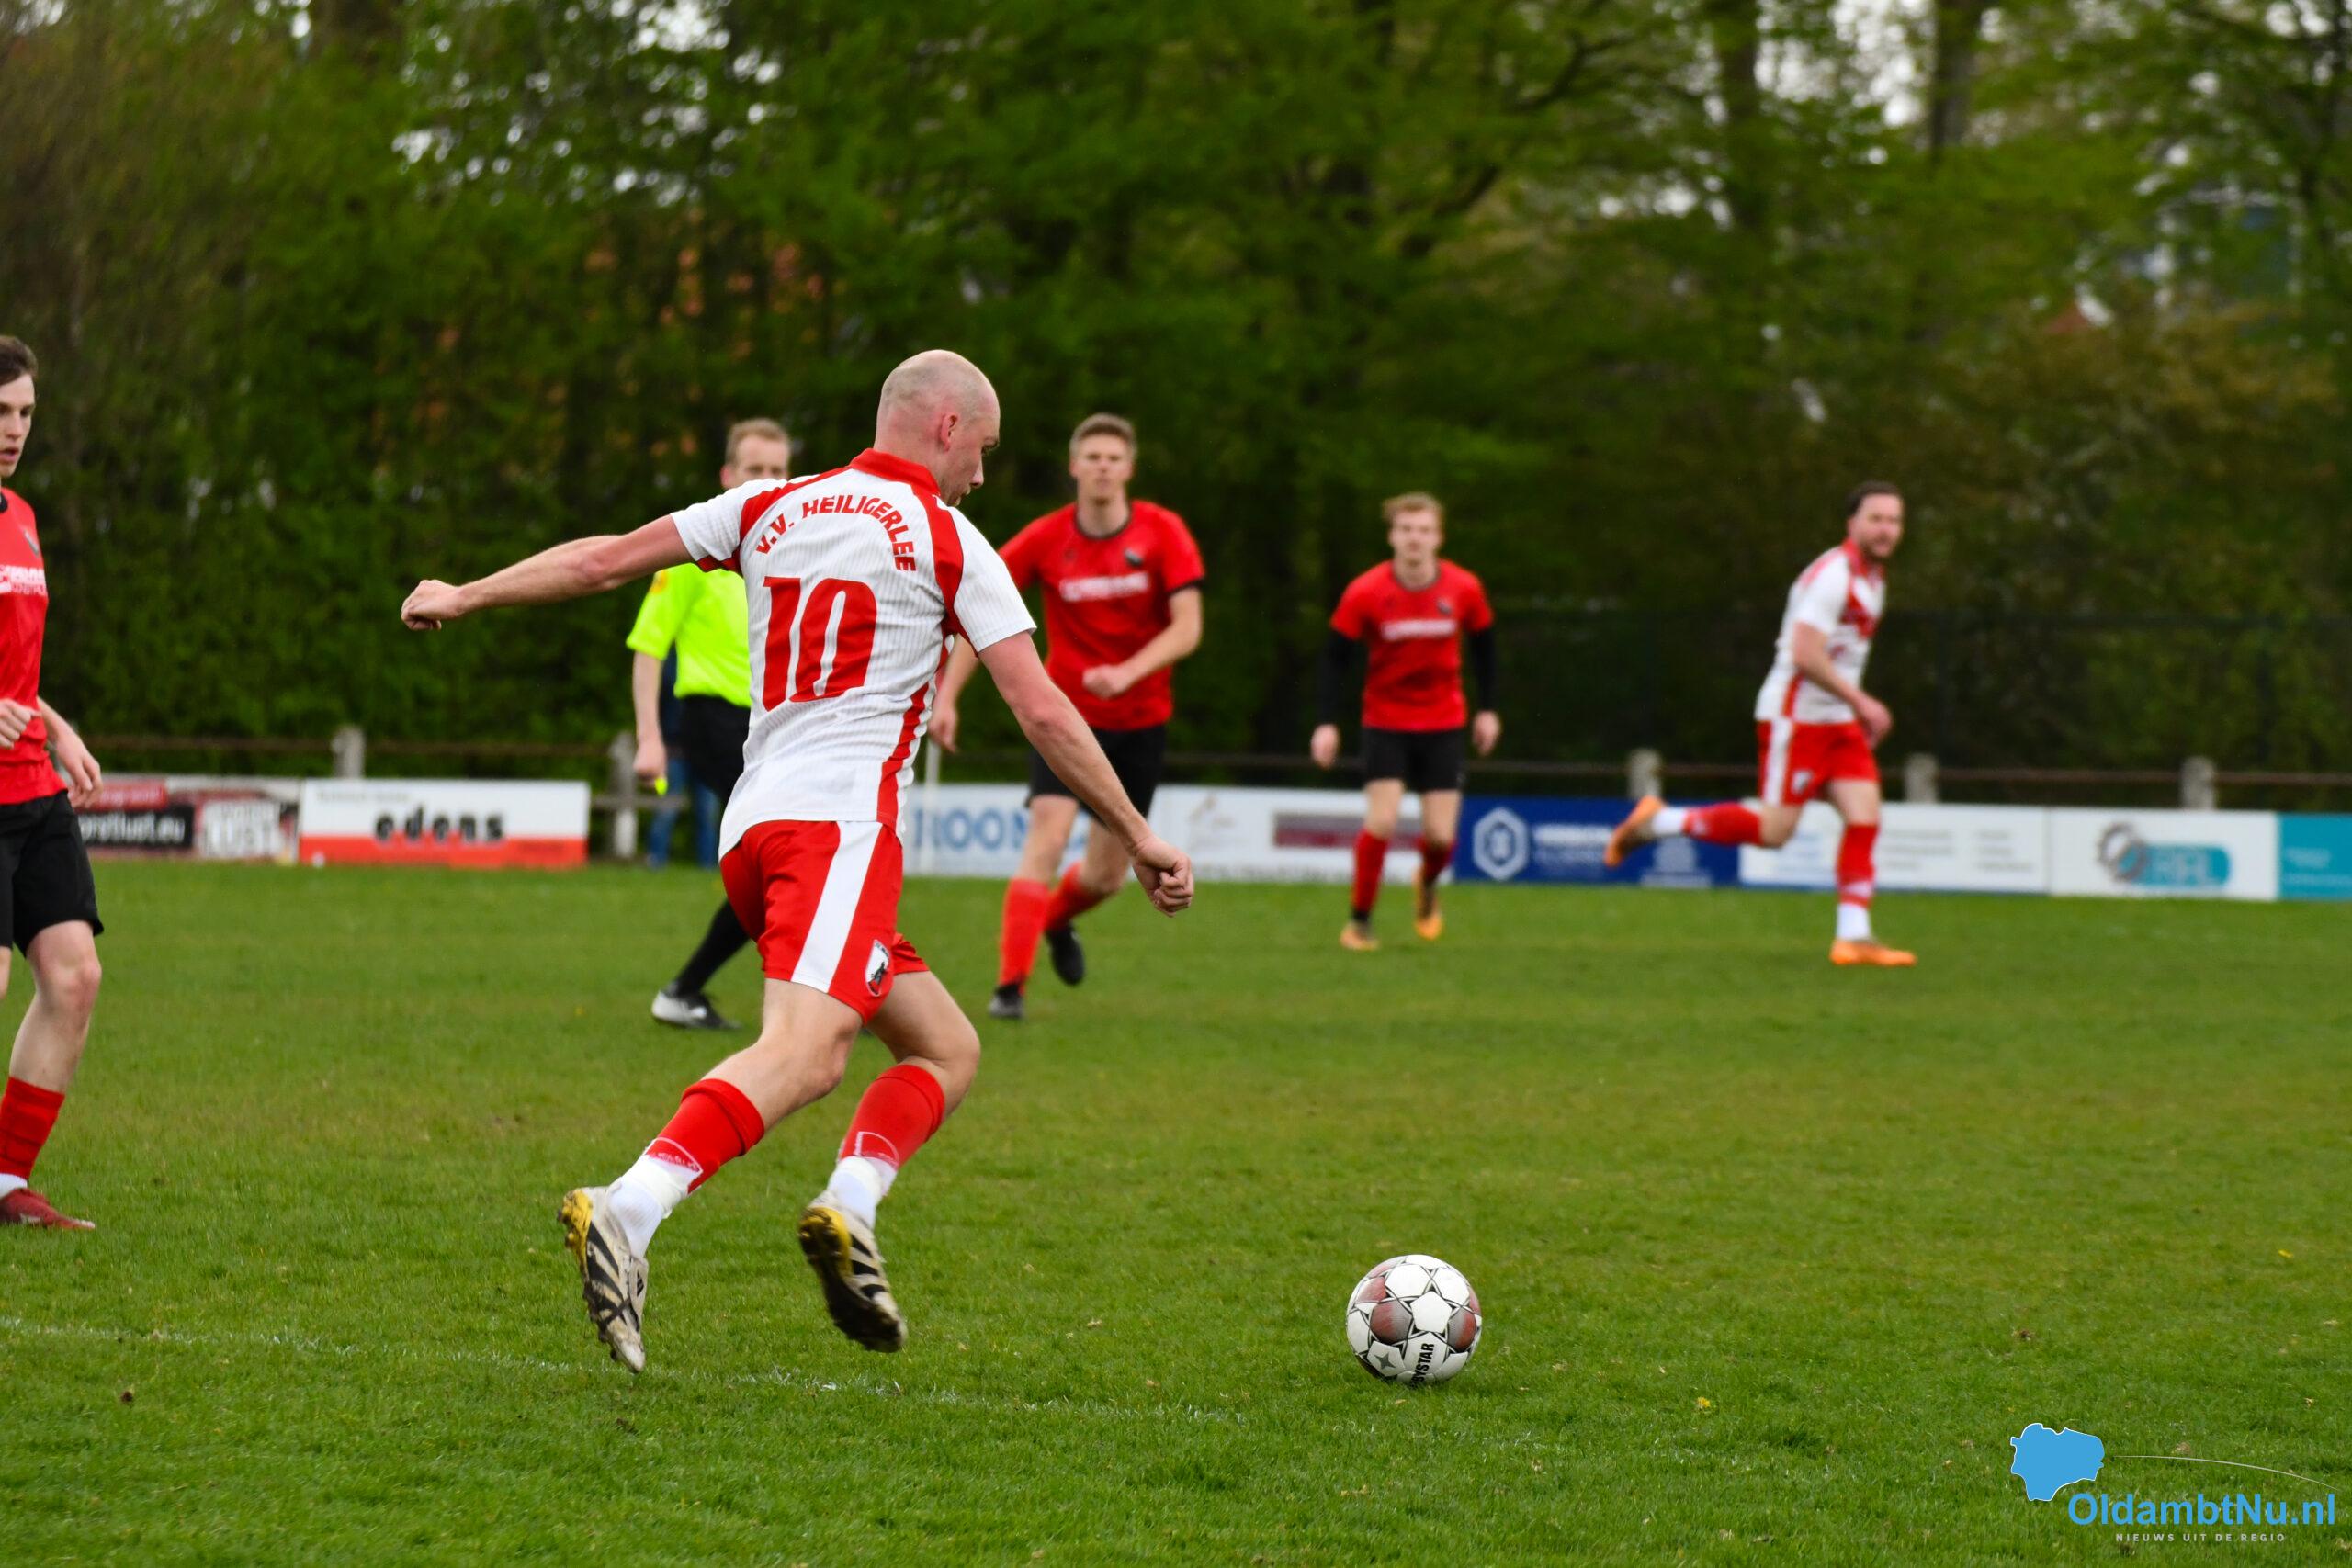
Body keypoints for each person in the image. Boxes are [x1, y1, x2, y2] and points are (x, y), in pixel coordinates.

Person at [401, 351, 1193, 1371]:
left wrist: (466, 593)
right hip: (837, 833)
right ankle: (630, 1205)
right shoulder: (951, 541)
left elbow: (602, 562)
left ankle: (849, 1205)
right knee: (809, 1054)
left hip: (753, 830)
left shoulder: (769, 504)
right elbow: (1040, 708)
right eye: (984, 449)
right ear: (947, 426)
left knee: (946, 1049)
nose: (982, 475)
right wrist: (1137, 832)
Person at [931, 413, 1204, 1021]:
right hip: (1065, 720)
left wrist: (1127, 672)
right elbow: (979, 610)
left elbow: (1188, 628)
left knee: (1107, 877)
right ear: (1075, 466)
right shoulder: (1046, 538)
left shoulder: (1163, 532)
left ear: (1129, 469)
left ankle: (1053, 922)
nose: (1103, 467)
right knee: (1046, 839)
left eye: (1114, 457)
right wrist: (946, 697)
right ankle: (1009, 988)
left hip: (1140, 720)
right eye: (1093, 457)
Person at [1605, 481, 1914, 966]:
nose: (1886, 530)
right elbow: (1805, 653)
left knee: (1865, 816)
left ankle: (1853, 936)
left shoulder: (1874, 580)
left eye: (1894, 521)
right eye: (1875, 519)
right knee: (1774, 832)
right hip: (1797, 717)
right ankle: (1659, 821)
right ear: (1851, 523)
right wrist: (1862, 701)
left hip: (1837, 721)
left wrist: (1852, 709)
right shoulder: (1832, 576)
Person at [626, 418, 794, 1028]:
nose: (767, 481)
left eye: (778, 470)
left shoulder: (799, 545)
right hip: (715, 722)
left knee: (779, 869)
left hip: (778, 724)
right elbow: (649, 647)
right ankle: (702, 991)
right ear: (727, 475)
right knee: (783, 860)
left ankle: (691, 990)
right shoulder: (695, 550)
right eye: (754, 470)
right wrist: (650, 737)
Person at [0, 336, 107, 1230]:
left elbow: (15, 673)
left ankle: (5, 1182)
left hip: (32, 788)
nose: (15, 429)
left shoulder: (24, 516)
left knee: (74, 977)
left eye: (27, 412)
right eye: (1, 412)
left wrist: (58, 728)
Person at [1312, 493, 1499, 950]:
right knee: (1382, 821)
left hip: (1444, 722)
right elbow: (1335, 659)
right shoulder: (1365, 591)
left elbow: (1485, 650)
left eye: (1425, 530)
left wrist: (1488, 709)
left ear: (1439, 537)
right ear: (1392, 536)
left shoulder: (1464, 588)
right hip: (1386, 721)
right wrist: (1326, 722)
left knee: (1440, 836)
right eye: (1407, 529)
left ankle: (1427, 884)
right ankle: (1359, 923)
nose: (1415, 538)